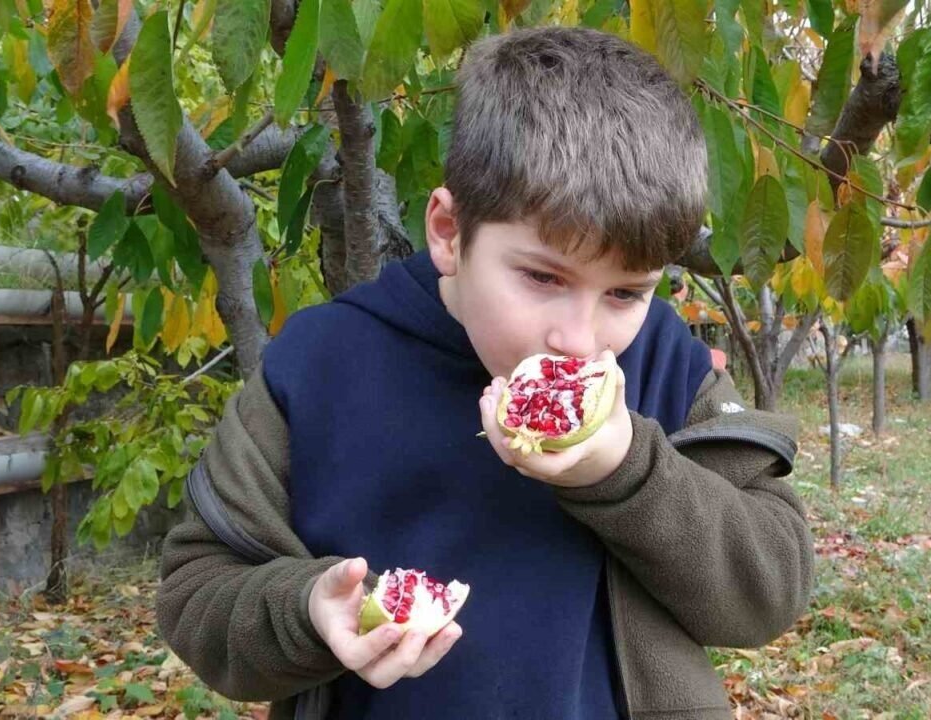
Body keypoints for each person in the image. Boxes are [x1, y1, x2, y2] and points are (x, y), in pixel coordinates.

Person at [156, 25, 814, 720]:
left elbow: (771, 592)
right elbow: (197, 592)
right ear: (448, 231)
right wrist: (308, 611)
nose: (578, 340)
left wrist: (626, 471)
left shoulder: (665, 361)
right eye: (542, 277)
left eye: (625, 293)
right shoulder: (318, 363)